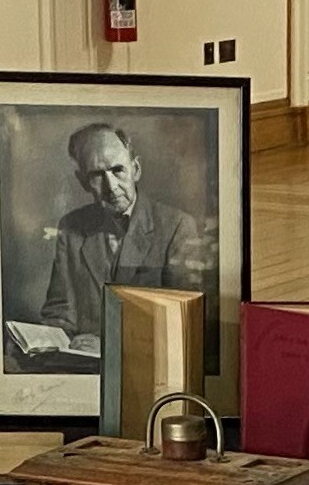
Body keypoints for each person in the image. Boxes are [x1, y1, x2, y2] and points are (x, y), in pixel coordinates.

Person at [32, 121, 216, 358]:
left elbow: (184, 322)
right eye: (97, 175)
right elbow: (59, 312)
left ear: (135, 169)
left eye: (118, 170)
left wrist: (113, 347)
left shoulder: (177, 226)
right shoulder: (71, 227)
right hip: (82, 360)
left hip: (151, 360)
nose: (111, 186)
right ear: (82, 181)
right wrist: (47, 340)